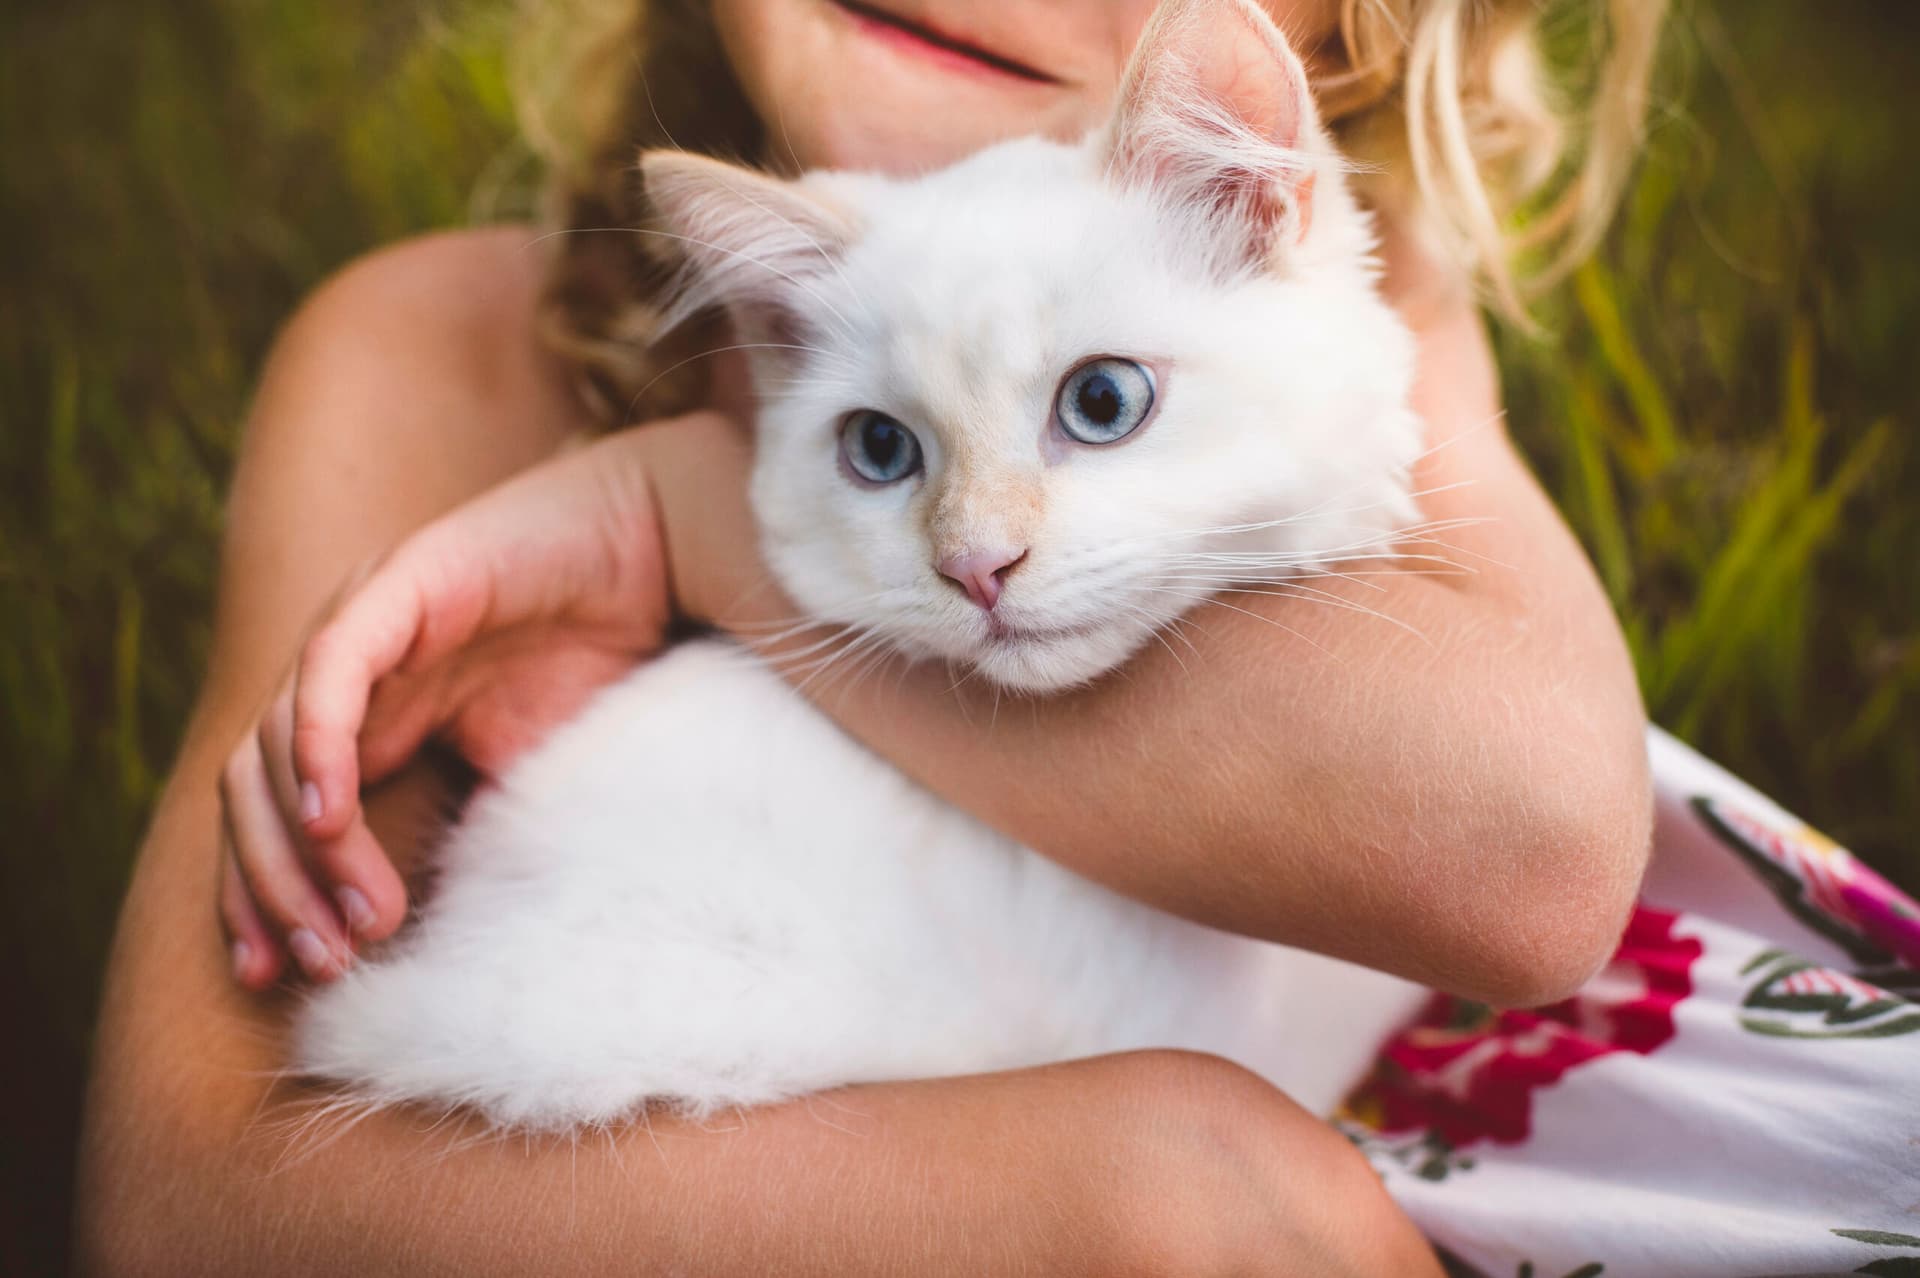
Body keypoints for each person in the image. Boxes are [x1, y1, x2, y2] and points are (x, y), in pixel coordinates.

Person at [82, 1, 1903, 1273]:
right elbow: (190, 1209)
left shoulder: (1341, 301)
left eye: (1098, 404)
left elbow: (1527, 868)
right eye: (886, 444)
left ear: (1341, 39)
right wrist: (1148, 1194)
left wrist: (692, 521)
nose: (981, 554)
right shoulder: (437, 359)